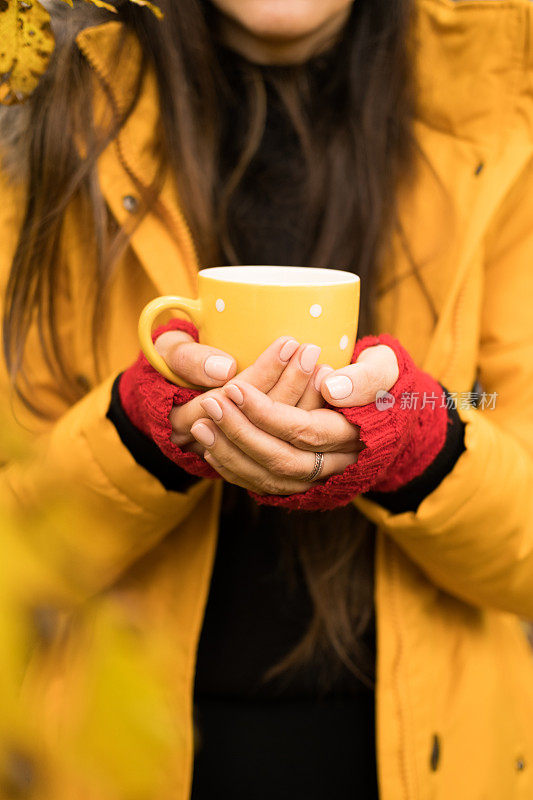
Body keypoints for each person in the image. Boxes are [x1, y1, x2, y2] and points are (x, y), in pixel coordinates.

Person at [1, 0, 533, 797]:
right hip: (107, 759)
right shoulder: (42, 111)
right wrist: (138, 432)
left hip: (443, 760)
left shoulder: (502, 102)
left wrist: (422, 438)